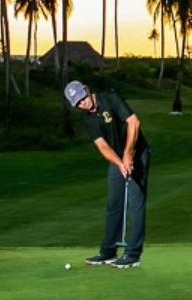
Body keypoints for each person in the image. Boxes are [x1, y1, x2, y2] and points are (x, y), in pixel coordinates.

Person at [64, 80, 151, 269]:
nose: (82, 104)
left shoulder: (110, 98)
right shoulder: (87, 119)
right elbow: (102, 146)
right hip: (117, 158)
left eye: (82, 98)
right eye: (77, 103)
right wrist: (119, 162)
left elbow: (134, 122)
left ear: (87, 90)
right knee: (114, 203)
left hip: (137, 152)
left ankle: (133, 254)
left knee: (135, 204)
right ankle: (108, 251)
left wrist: (128, 154)